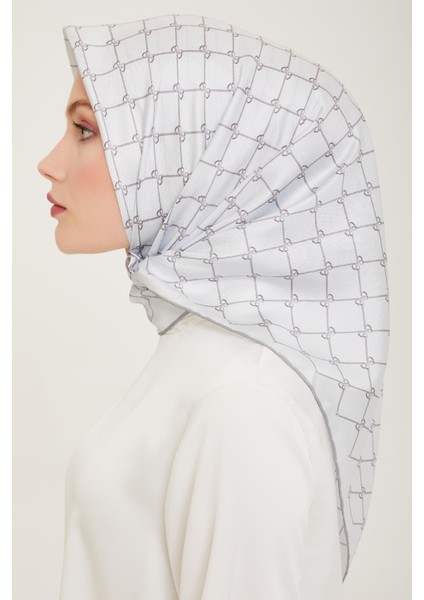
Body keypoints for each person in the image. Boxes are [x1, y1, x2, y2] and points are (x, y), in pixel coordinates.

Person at [37, 13, 390, 600]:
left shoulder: (244, 402)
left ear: (194, 155)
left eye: (85, 130)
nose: (50, 162)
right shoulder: (204, 357)